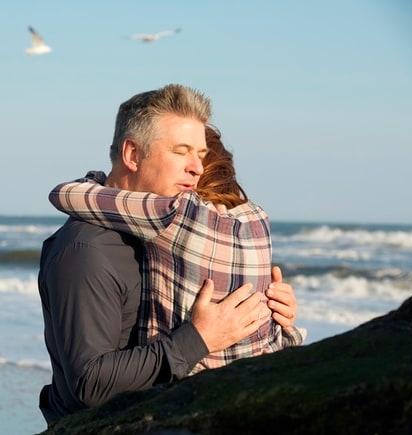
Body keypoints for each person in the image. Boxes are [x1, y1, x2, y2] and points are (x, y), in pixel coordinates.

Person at [38, 84, 299, 425]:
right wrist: (200, 338)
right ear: (132, 155)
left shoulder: (169, 237)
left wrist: (267, 313)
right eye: (181, 151)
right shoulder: (87, 249)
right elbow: (90, 383)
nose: (196, 168)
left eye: (201, 154)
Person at [49, 125, 306, 374]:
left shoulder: (178, 213)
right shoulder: (258, 219)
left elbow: (68, 195)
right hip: (263, 372)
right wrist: (274, 310)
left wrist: (199, 338)